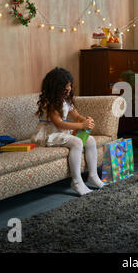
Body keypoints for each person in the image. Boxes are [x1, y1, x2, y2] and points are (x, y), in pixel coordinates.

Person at [31, 67, 104, 196]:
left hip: (61, 133)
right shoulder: (50, 103)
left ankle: (92, 175)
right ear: (56, 87)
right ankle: (76, 181)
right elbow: (59, 123)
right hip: (48, 134)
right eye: (66, 85)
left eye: (70, 85)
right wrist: (82, 125)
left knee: (90, 140)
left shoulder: (66, 101)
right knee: (76, 142)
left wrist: (86, 119)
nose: (69, 88)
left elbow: (77, 116)